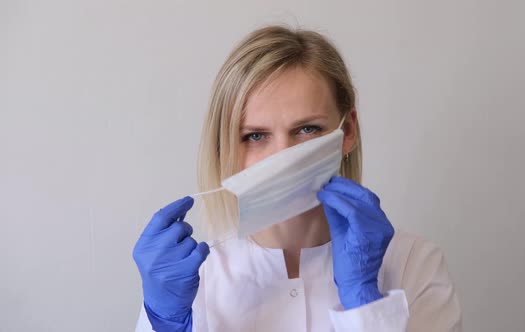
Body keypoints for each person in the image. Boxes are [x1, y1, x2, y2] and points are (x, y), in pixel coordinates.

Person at [133, 25, 462, 332]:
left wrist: (363, 300)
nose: (283, 156)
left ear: (347, 132)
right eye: (255, 135)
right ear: (224, 148)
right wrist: (165, 322)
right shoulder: (196, 279)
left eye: (307, 129)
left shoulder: (412, 263)